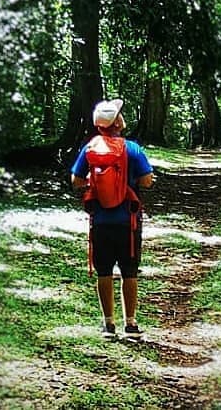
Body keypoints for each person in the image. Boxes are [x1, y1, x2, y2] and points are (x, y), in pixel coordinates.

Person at [70, 98, 154, 337]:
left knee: (104, 271)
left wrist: (96, 183)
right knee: (129, 272)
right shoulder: (133, 149)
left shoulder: (90, 148)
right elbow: (147, 181)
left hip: (100, 222)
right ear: (117, 123)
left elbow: (75, 181)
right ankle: (131, 323)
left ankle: (108, 323)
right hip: (128, 223)